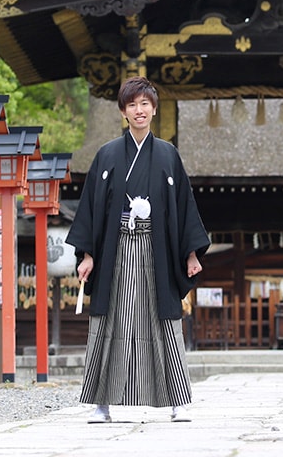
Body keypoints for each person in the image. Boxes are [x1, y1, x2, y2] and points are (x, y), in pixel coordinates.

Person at [66, 76, 210, 424]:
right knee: (111, 319)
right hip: (116, 250)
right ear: (123, 111)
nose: (139, 110)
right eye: (132, 104)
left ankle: (177, 400)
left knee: (163, 320)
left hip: (156, 251)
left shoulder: (167, 155)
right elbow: (92, 208)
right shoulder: (108, 155)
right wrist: (88, 254)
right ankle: (102, 402)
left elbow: (184, 205)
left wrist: (191, 252)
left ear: (154, 109)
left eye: (145, 104)